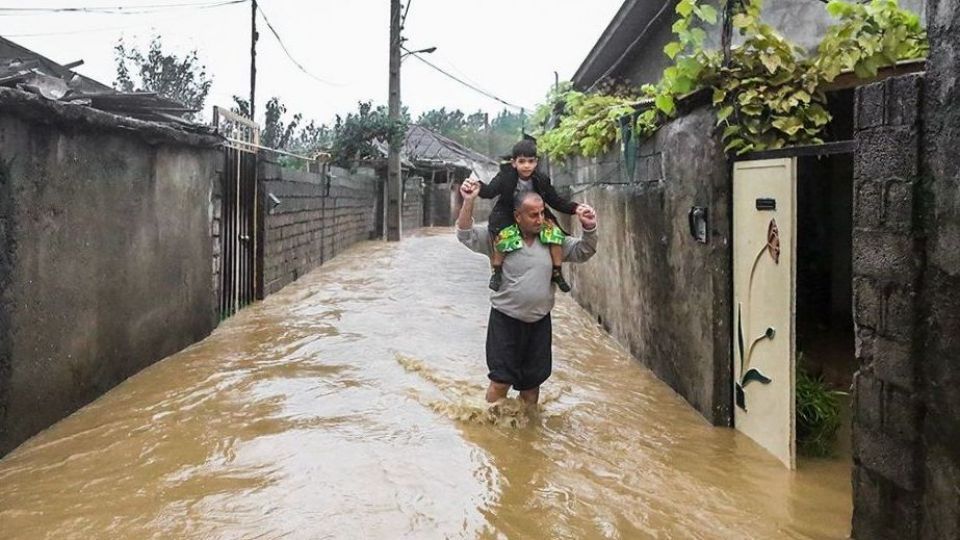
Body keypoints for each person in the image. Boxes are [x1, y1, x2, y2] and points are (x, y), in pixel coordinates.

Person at [456, 179, 598, 406]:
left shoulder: (553, 240)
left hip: (539, 323)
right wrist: (469, 201)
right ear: (517, 216)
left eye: (542, 213)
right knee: (500, 382)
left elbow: (584, 251)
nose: (540, 219)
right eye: (533, 215)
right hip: (505, 321)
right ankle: (492, 432)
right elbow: (466, 235)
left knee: (532, 386)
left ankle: (529, 433)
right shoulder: (499, 238)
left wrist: (589, 227)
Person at [471, 139, 593, 293]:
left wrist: (576, 208)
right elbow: (489, 192)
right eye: (522, 161)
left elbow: (555, 201)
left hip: (535, 214)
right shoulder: (505, 176)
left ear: (536, 162)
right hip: (507, 214)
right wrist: (478, 186)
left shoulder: (541, 179)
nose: (526, 166)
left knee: (555, 234)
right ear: (514, 163)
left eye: (530, 161)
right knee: (502, 237)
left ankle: (556, 272)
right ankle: (497, 271)